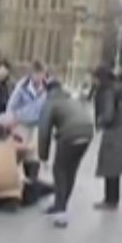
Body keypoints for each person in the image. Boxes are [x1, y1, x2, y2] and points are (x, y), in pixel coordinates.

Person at [37, 78, 94, 227]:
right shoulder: (71, 98)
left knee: (59, 170)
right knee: (71, 170)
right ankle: (60, 205)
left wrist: (43, 156)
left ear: (47, 90)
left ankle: (60, 212)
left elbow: (44, 131)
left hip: (70, 135)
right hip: (87, 133)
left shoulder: (50, 103)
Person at [92, 65, 122, 210]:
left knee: (109, 167)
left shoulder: (108, 91)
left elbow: (108, 114)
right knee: (114, 168)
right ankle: (112, 198)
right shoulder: (119, 87)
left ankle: (110, 200)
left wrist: (100, 122)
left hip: (114, 132)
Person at [0, 61, 48, 177]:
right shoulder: (22, 87)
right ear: (31, 74)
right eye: (36, 74)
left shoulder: (47, 89)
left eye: (41, 74)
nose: (38, 77)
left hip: (37, 126)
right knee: (19, 152)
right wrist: (12, 121)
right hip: (21, 124)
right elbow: (11, 106)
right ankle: (16, 179)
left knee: (34, 155)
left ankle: (32, 179)